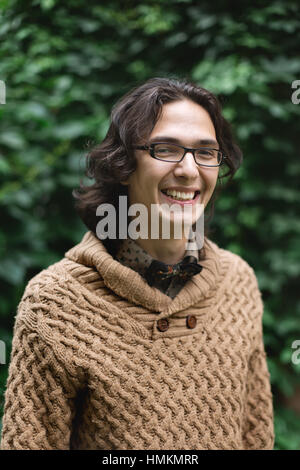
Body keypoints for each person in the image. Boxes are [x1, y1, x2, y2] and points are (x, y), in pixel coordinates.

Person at [0, 77, 275, 450]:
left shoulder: (238, 283)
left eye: (206, 152)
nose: (189, 170)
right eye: (166, 149)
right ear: (124, 164)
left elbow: (256, 436)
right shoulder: (54, 305)